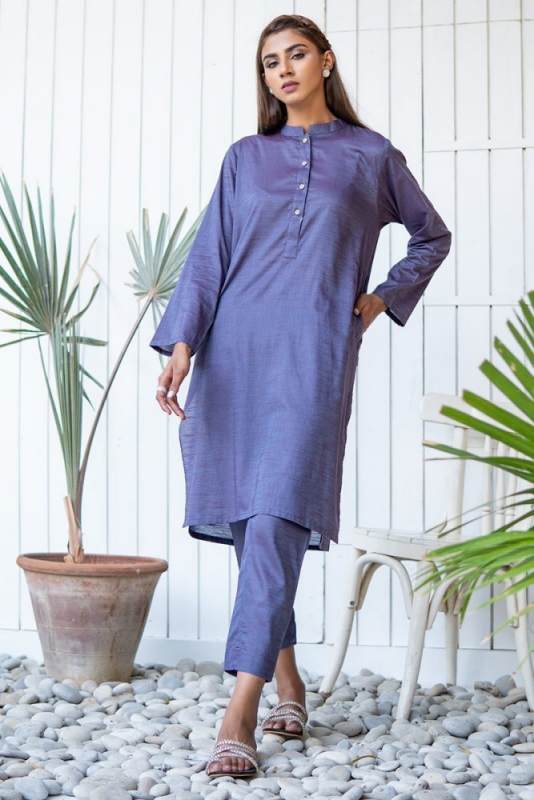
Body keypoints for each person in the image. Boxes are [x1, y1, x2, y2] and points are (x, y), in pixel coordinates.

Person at [149, 13, 452, 780]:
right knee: (251, 521)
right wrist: (181, 345)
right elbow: (210, 256)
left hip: (315, 353)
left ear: (326, 61)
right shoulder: (246, 158)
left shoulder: (371, 157)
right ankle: (288, 682)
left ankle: (239, 713)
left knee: (279, 510)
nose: (282, 70)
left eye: (295, 55)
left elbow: (431, 235)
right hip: (233, 351)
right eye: (269, 62)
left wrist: (381, 298)